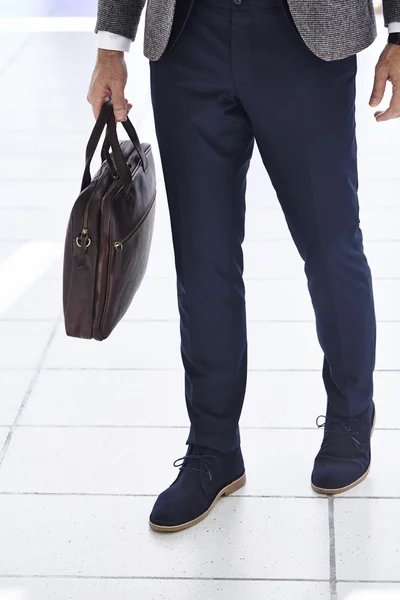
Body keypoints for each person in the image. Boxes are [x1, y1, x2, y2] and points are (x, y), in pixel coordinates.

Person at [88, 0, 400, 533]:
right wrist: (110, 45)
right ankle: (213, 447)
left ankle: (351, 415)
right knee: (202, 257)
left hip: (305, 37)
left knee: (329, 244)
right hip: (187, 38)